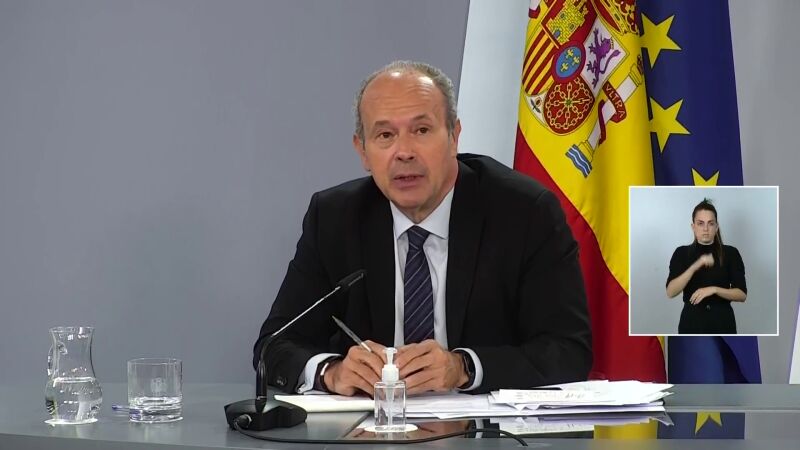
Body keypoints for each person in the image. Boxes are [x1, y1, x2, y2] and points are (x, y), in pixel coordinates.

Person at [254, 60, 592, 396]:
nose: (404, 152)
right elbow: (274, 345)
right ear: (363, 151)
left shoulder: (523, 213)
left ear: (454, 136)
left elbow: (568, 350)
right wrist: (331, 372)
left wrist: (464, 367)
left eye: (422, 130)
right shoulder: (335, 218)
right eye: (385, 135)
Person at [665, 199, 747, 334]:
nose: (705, 229)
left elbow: (742, 294)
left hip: (723, 323)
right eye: (700, 223)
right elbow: (670, 292)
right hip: (691, 324)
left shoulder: (731, 253)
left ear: (716, 227)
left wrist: (714, 289)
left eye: (710, 223)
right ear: (693, 227)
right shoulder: (681, 253)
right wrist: (696, 265)